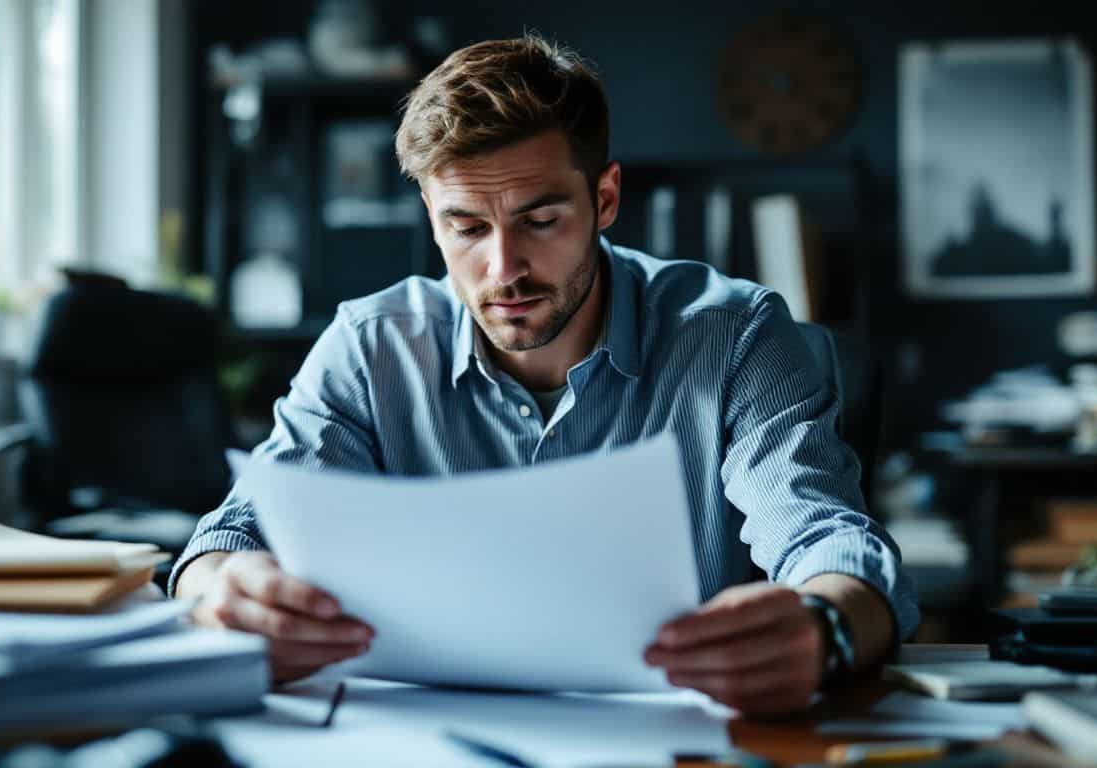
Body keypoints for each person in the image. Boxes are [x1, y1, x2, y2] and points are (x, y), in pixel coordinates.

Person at [174, 34, 918, 714]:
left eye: (540, 220)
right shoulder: (371, 347)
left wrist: (828, 624)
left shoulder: (735, 336)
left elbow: (825, 537)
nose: (504, 270)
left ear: (604, 199)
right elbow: (231, 536)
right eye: (466, 227)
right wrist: (221, 590)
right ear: (432, 216)